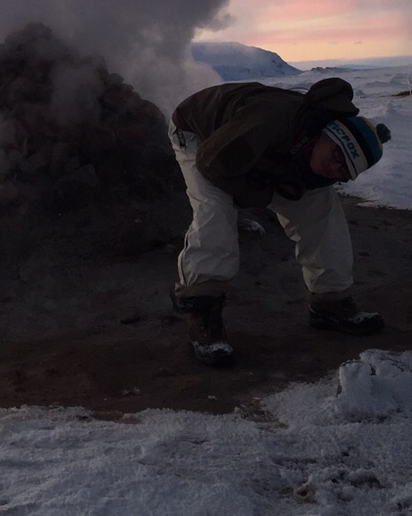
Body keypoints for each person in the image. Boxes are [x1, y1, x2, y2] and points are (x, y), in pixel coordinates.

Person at [167, 76, 391, 367]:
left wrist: (278, 181)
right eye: (337, 154)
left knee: (322, 211)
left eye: (344, 169)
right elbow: (212, 164)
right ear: (328, 134)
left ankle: (331, 301)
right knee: (215, 212)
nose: (334, 167)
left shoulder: (315, 152)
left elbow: (310, 172)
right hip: (202, 135)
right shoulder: (271, 121)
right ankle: (203, 313)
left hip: (270, 153)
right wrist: (264, 190)